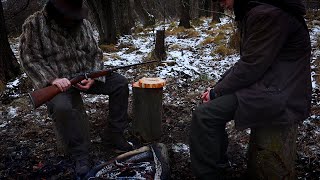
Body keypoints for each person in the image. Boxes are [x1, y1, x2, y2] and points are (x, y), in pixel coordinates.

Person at [190, 0, 311, 179]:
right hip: (271, 83)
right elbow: (250, 61)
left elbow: (251, 66)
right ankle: (218, 164)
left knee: (204, 116)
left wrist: (217, 92)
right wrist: (216, 89)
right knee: (209, 108)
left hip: (281, 92)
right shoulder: (260, 10)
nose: (219, 3)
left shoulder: (267, 14)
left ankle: (208, 174)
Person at [19, 0, 133, 177]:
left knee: (120, 84)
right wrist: (53, 79)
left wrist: (94, 77)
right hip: (57, 82)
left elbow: (94, 52)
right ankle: (81, 153)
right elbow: (29, 59)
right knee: (63, 108)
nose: (74, 19)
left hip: (85, 75)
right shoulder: (34, 25)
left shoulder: (83, 23)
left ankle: (114, 134)